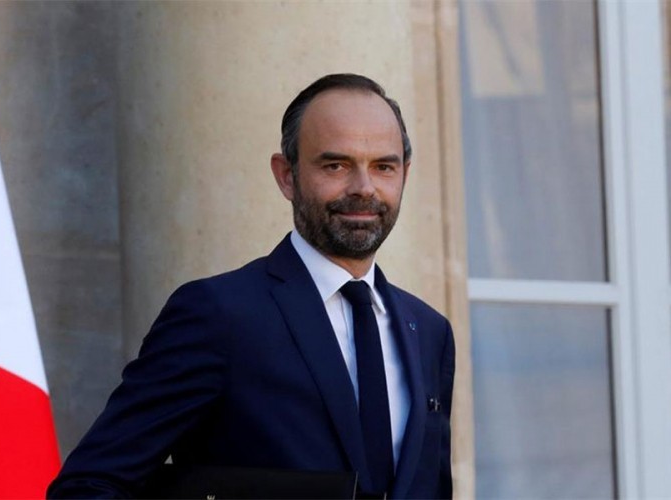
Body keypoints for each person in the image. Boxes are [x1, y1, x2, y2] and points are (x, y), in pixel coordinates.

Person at [47, 73, 455, 499]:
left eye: (383, 167)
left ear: (404, 174)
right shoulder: (217, 315)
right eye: (335, 165)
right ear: (286, 175)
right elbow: (89, 485)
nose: (364, 188)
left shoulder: (429, 332)